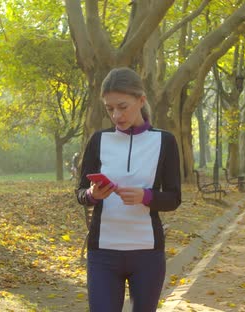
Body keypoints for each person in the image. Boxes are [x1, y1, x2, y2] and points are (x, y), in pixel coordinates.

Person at [75, 67, 181, 312]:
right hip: (103, 253)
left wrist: (146, 196)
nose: (116, 115)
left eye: (123, 106)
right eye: (110, 108)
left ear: (141, 100)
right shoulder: (98, 141)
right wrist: (92, 194)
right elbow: (80, 193)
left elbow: (174, 198)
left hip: (147, 253)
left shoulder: (165, 141)